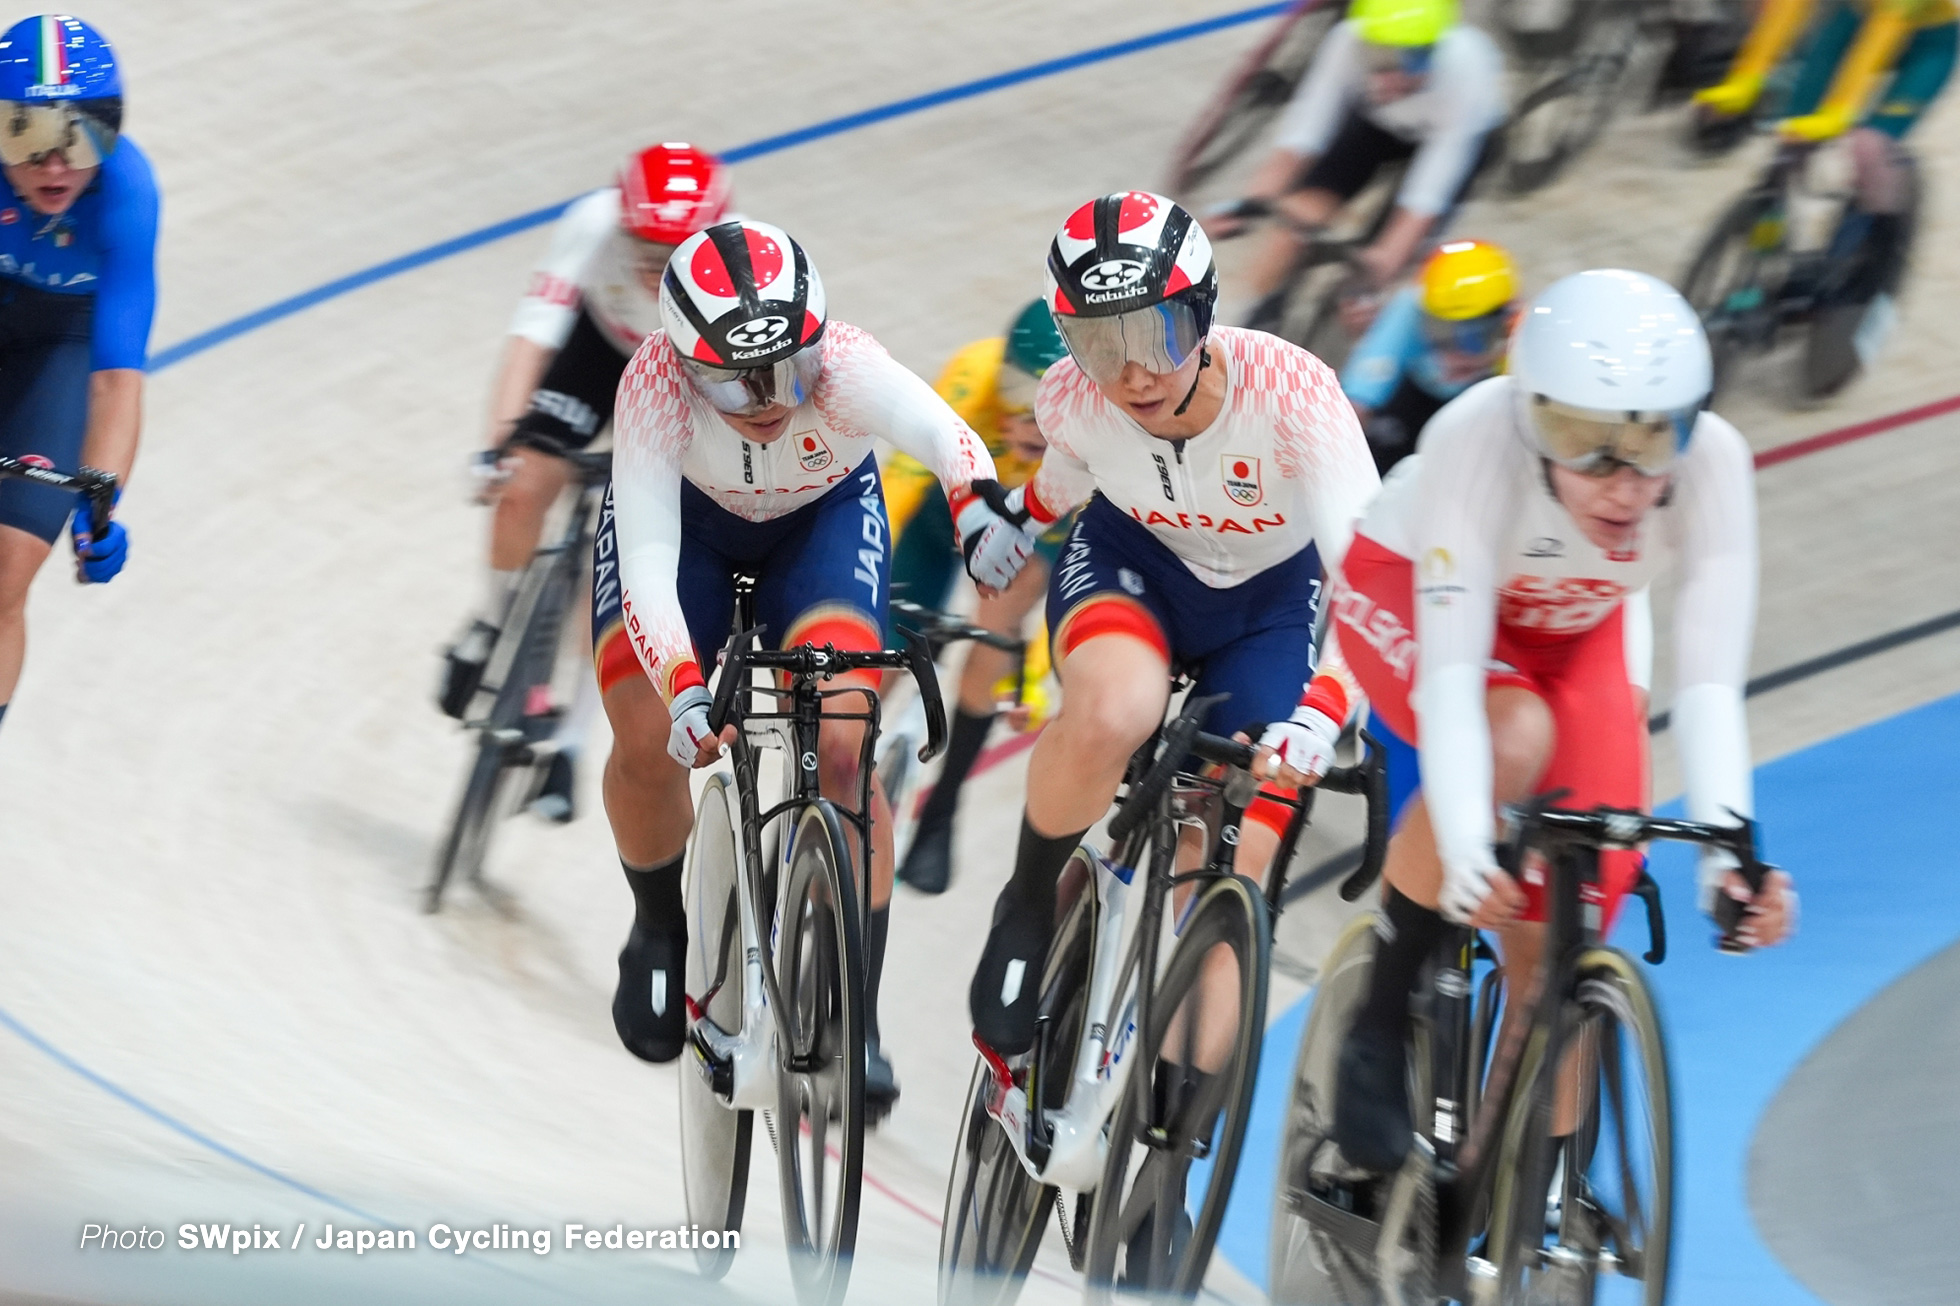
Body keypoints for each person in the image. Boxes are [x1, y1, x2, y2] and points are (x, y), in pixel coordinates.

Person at [1271, 269, 1799, 1175]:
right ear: (1530, 417)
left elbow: (1709, 684)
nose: (1622, 480)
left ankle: (1535, 1210)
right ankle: (1379, 1023)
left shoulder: (1715, 463)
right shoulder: (1476, 438)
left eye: (1649, 440)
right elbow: (1448, 678)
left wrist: (1729, 856)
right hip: (1409, 592)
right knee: (1512, 733)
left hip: (1572, 632)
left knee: (1570, 933)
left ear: (1690, 424)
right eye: (1581, 440)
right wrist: (1473, 847)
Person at [600, 219, 1021, 1118]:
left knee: (843, 745)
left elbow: (946, 435)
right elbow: (644, 557)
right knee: (644, 734)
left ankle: (856, 1017)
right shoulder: (652, 390)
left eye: (787, 371)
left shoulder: (848, 364)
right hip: (687, 533)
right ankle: (659, 926)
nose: (764, 399)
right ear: (681, 361)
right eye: (732, 379)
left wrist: (977, 511)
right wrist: (680, 686)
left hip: (818, 525)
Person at [966, 191, 1381, 1067]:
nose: (1134, 375)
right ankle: (1029, 904)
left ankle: (1173, 1141)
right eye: (1100, 345)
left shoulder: (1296, 396)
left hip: (1268, 604)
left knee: (1242, 854)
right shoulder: (1071, 399)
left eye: (1155, 335)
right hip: (1135, 567)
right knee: (1119, 710)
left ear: (1203, 314)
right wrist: (1019, 515)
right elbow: (1075, 474)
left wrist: (1322, 712)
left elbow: (1373, 590)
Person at [439, 143, 730, 819]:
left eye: (673, 249)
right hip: (594, 347)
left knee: (628, 562)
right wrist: (500, 445)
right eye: (643, 243)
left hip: (678, 370)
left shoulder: (726, 263)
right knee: (523, 481)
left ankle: (568, 744)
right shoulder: (593, 223)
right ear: (620, 219)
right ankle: (490, 622)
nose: (656, 262)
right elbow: (532, 338)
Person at [880, 299, 1071, 894]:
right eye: (1019, 393)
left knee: (998, 626)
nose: (1032, 421)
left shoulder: (1091, 446)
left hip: (1027, 535)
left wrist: (1034, 675)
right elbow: (901, 483)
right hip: (941, 519)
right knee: (871, 659)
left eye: (1052, 406)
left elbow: (1064, 583)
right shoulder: (976, 370)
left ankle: (941, 813)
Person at [0, 14, 155, 736]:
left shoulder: (128, 194)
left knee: (6, 574)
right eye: (27, 136)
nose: (55, 165)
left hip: (62, 342)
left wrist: (101, 508)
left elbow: (115, 379)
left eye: (82, 135)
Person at [1693, 0, 1952, 392]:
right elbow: (1785, 9)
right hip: (1855, 21)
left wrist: (1837, 113)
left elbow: (1885, 29)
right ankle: (1764, 257)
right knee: (1792, 138)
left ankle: (1872, 272)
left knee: (1867, 147)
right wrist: (1746, 79)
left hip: (1927, 43)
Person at [1205, 0, 1506, 316]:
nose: (1390, 77)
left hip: (1453, 139)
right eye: (1379, 56)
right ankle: (1244, 324)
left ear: (1435, 51)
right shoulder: (1347, 40)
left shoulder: (1466, 75)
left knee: (1383, 271)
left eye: (1410, 61)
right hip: (1377, 123)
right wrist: (1253, 202)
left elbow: (1427, 195)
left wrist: (1384, 260)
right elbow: (1304, 132)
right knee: (1293, 219)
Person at [1341, 238, 1516, 474]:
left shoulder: (1520, 339)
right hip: (1409, 408)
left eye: (1477, 332)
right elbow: (1355, 408)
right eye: (1442, 326)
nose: (1457, 349)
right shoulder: (1409, 311)